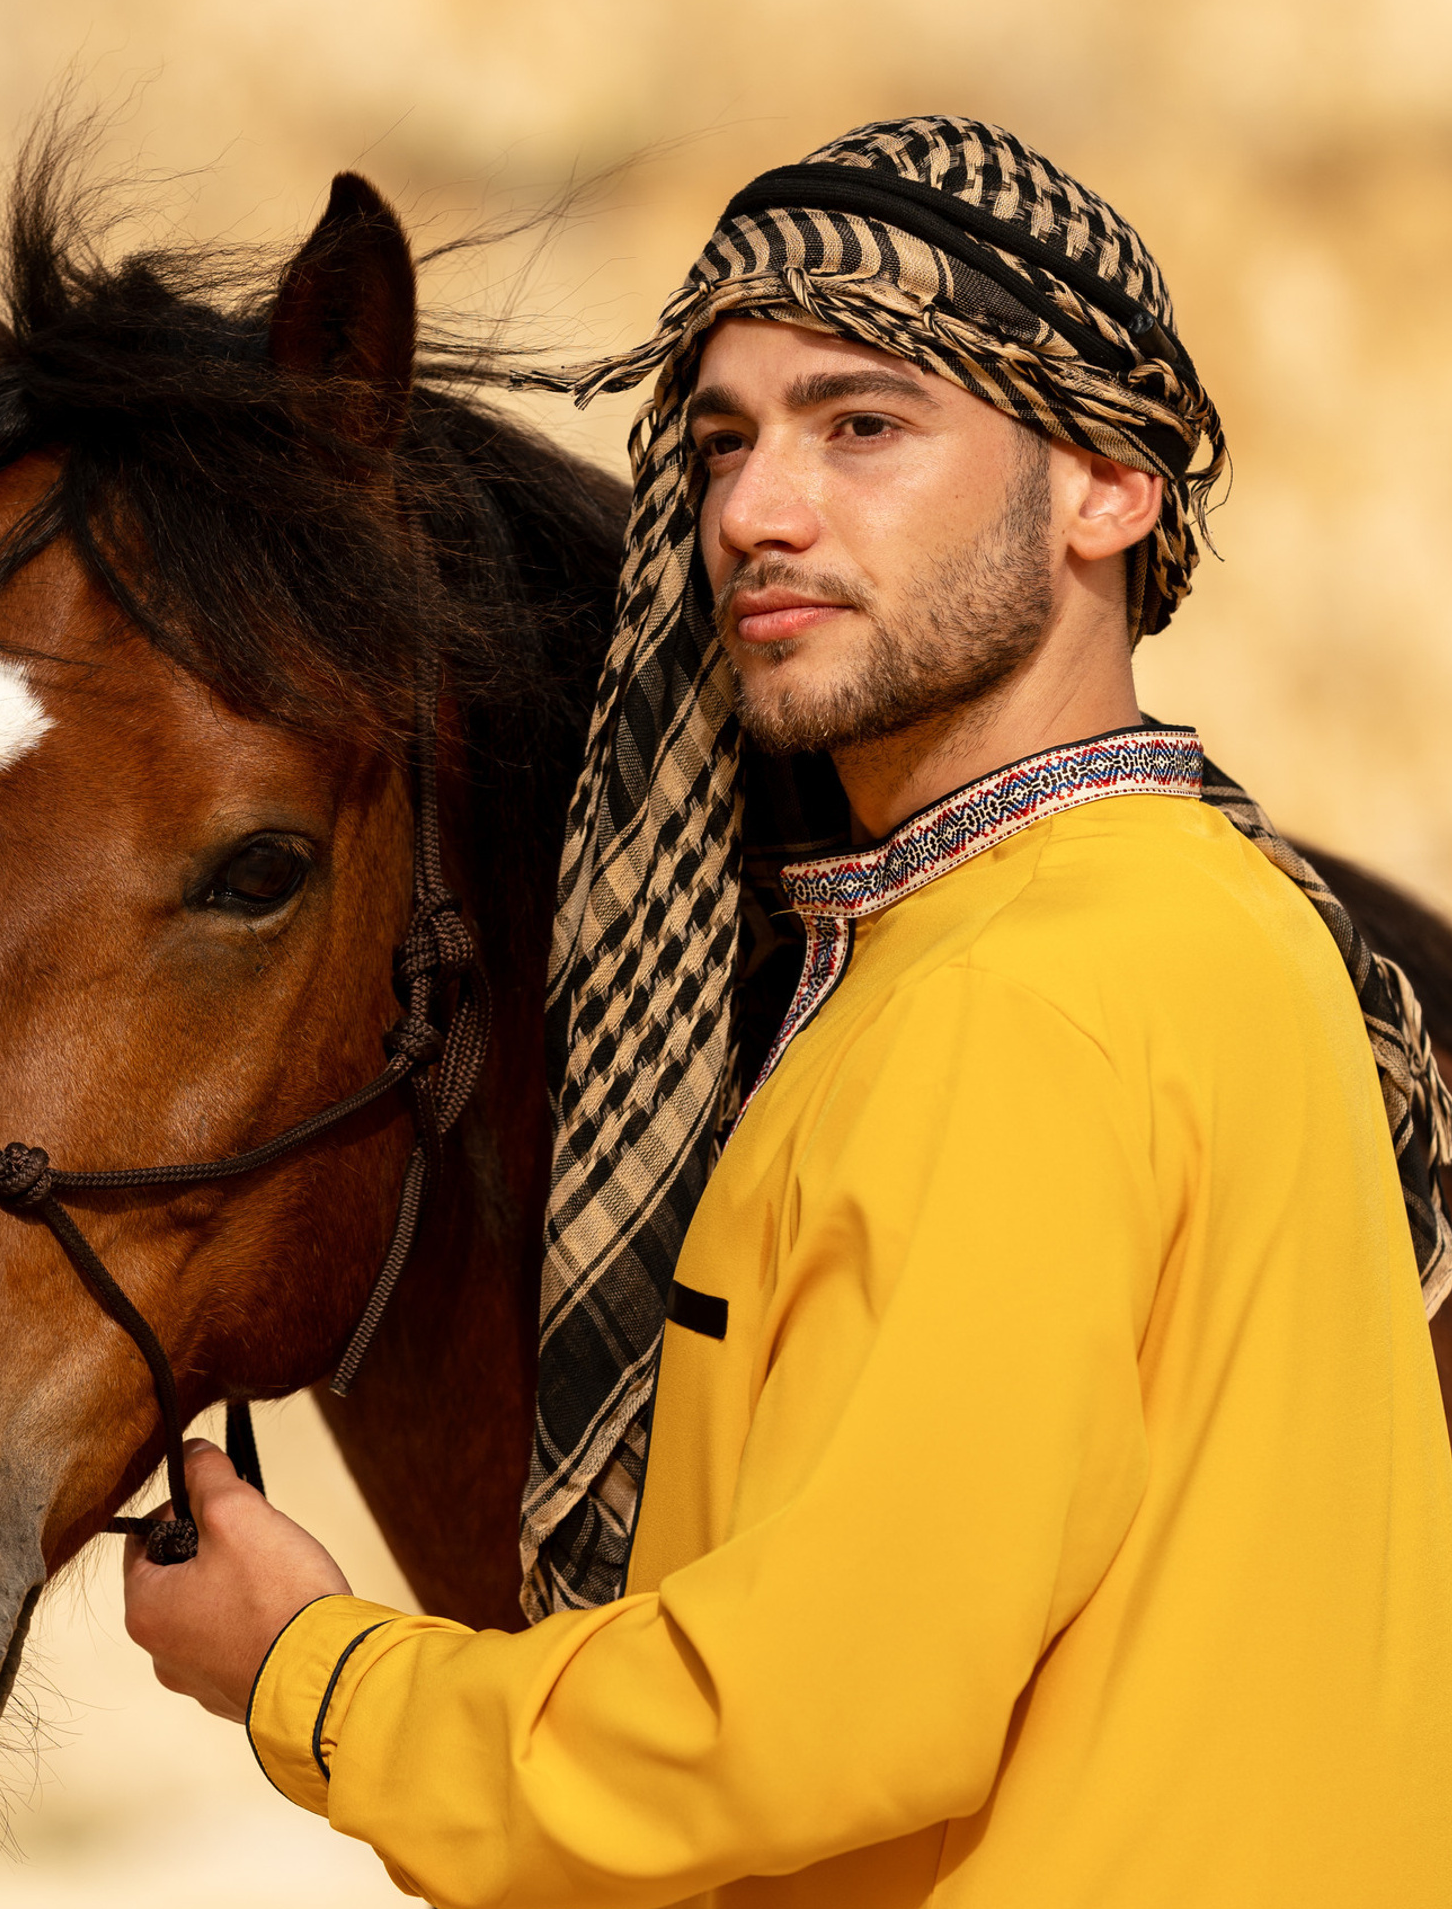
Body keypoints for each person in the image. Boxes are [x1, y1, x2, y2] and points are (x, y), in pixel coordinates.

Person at [122, 117, 1452, 1907]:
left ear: (1109, 485)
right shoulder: (1204, 920)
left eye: (864, 425)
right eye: (723, 438)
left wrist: (309, 1672)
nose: (753, 508)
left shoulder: (1026, 1000)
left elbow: (804, 1725)